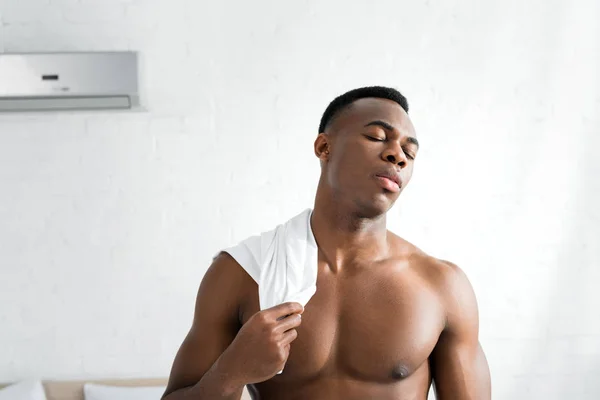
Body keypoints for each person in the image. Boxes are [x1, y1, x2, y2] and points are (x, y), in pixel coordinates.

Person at [161, 86, 491, 400]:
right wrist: (230, 372)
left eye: (410, 152)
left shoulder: (442, 287)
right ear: (324, 147)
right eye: (377, 137)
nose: (398, 156)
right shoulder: (243, 274)